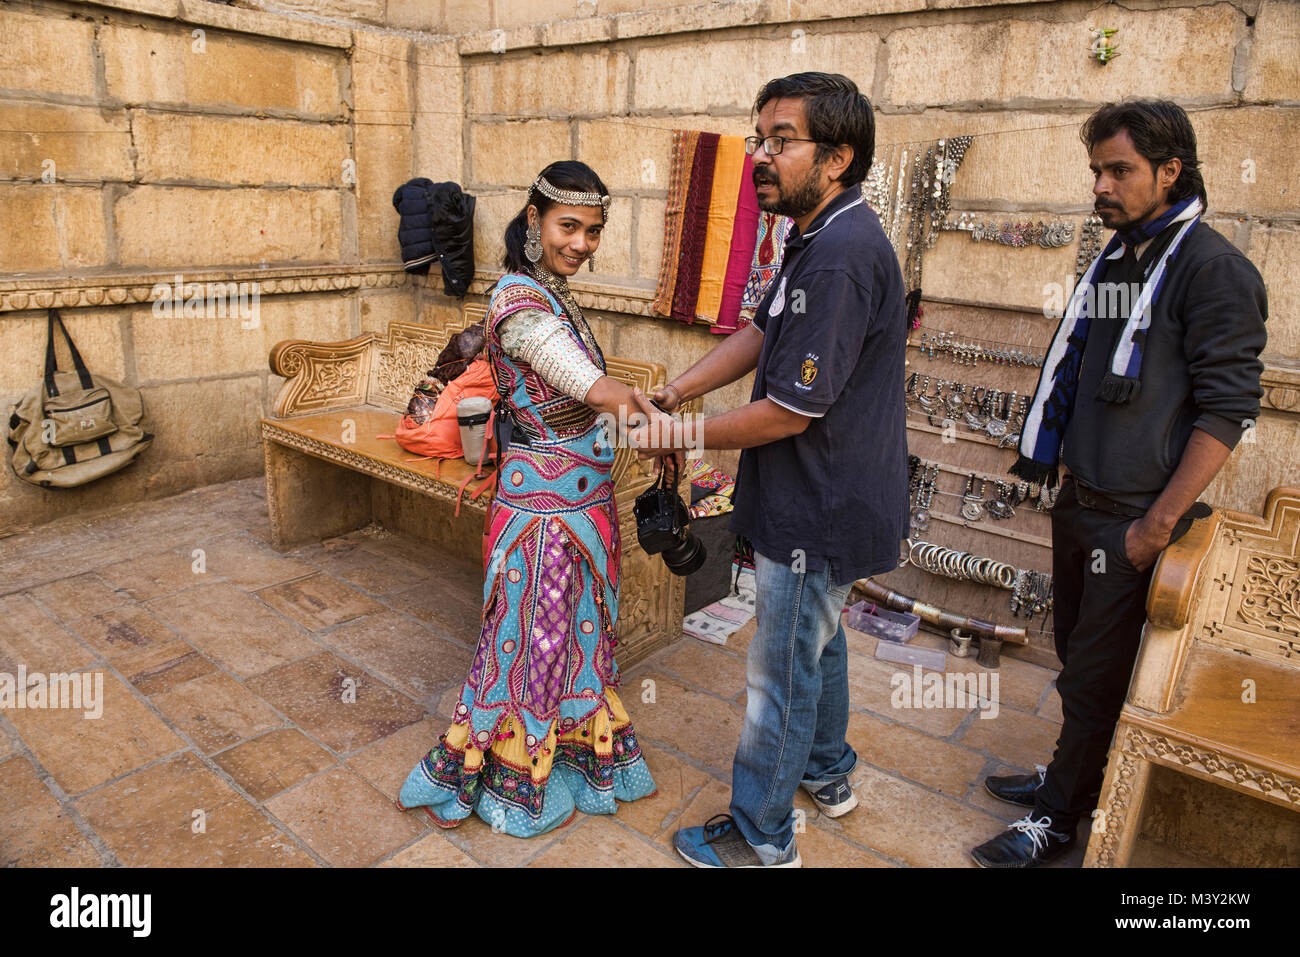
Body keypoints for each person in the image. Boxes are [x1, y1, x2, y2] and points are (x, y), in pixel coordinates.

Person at [971, 99, 1268, 867]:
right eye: (1096, 169)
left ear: (1171, 170)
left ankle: (1059, 820)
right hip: (1084, 504)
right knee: (1077, 656)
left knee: (1097, 674)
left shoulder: (1213, 270)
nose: (1100, 184)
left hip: (1136, 519)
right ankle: (1072, 774)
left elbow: (1228, 410)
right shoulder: (1121, 258)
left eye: (1119, 170)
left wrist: (1156, 526)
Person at [629, 73, 909, 867]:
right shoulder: (817, 233)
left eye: (781, 140)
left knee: (778, 671)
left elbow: (790, 411)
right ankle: (828, 770)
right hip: (827, 494)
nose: (761, 155)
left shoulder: (841, 258)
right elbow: (761, 330)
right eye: (760, 137)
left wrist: (685, 432)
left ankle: (763, 832)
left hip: (820, 502)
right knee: (815, 643)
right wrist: (682, 386)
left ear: (837, 156)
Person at [396, 161, 671, 837]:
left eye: (594, 230)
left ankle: (575, 755)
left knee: (580, 641)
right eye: (569, 226)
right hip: (542, 518)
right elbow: (578, 378)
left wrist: (645, 411)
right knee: (528, 647)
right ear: (533, 222)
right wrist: (645, 414)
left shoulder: (553, 291)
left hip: (581, 508)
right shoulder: (518, 302)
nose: (582, 242)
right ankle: (516, 778)